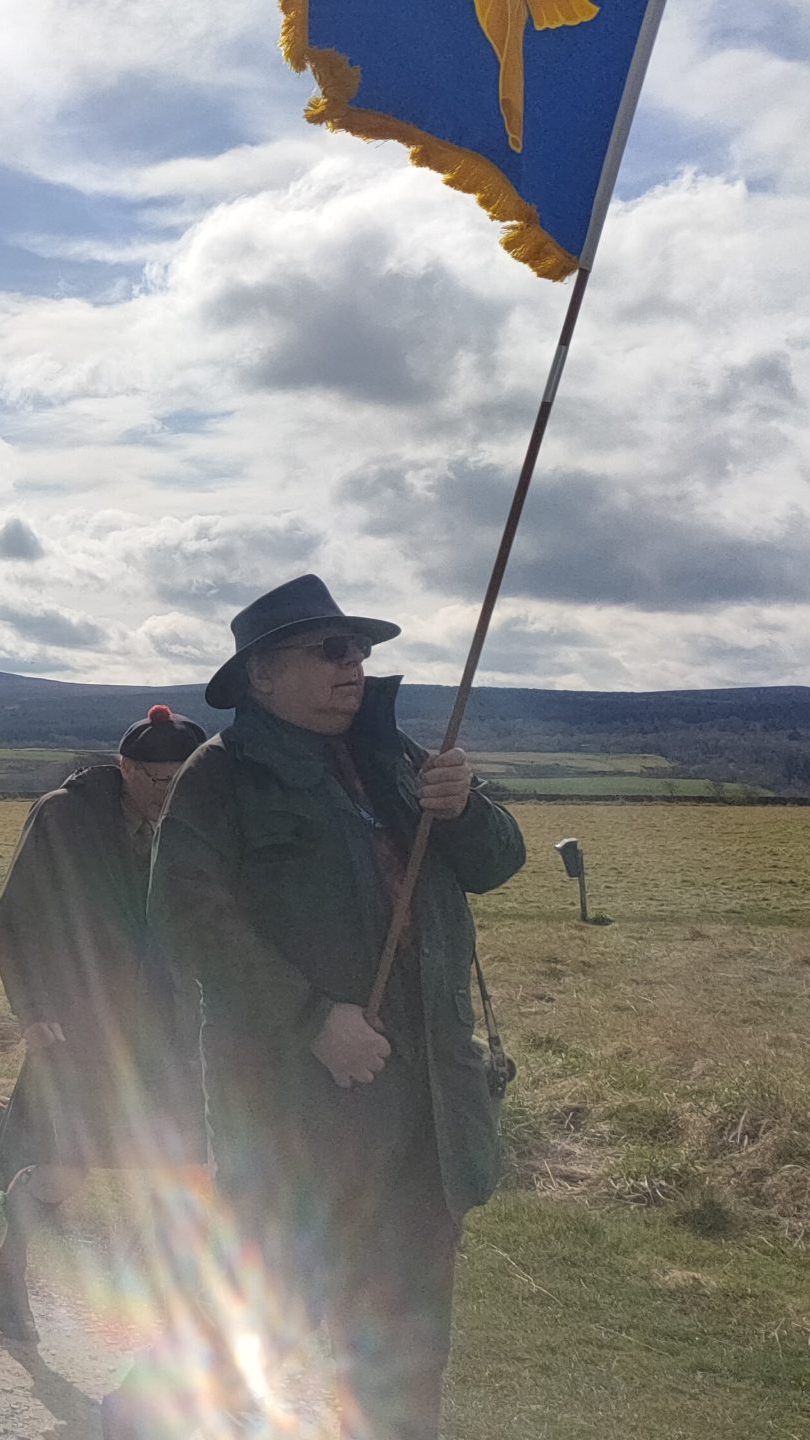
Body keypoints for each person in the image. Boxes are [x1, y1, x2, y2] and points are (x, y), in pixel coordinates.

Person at [150, 575, 525, 1440]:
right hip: (294, 1114)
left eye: (357, 647)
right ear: (262, 675)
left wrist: (465, 808)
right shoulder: (220, 777)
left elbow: (497, 863)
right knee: (256, 1326)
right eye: (329, 649)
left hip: (425, 1111)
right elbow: (190, 919)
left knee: (403, 1343)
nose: (353, 663)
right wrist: (312, 1020)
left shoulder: (398, 758)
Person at [0, 705, 214, 1423]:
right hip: (81, 1032)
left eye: (182, 779)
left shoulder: (202, 819)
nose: (169, 794)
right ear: (126, 769)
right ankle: (9, 1259)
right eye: (157, 780)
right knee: (66, 1171)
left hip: (172, 1038)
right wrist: (33, 1009)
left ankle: (163, 1356)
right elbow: (12, 920)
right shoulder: (65, 817)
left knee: (185, 1177)